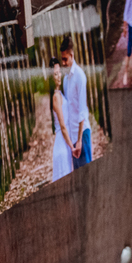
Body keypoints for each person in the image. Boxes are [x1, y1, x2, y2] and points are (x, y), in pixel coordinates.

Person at [59, 37, 91, 169]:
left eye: (65, 59)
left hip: (82, 134)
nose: (63, 62)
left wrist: (79, 141)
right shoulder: (66, 79)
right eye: (62, 59)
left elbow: (82, 111)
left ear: (71, 56)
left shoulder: (80, 76)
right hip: (72, 136)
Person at [49, 61, 74, 182]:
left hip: (65, 145)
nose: (58, 76)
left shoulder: (60, 94)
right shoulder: (56, 97)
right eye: (55, 74)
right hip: (62, 147)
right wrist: (72, 146)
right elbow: (63, 127)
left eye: (59, 73)